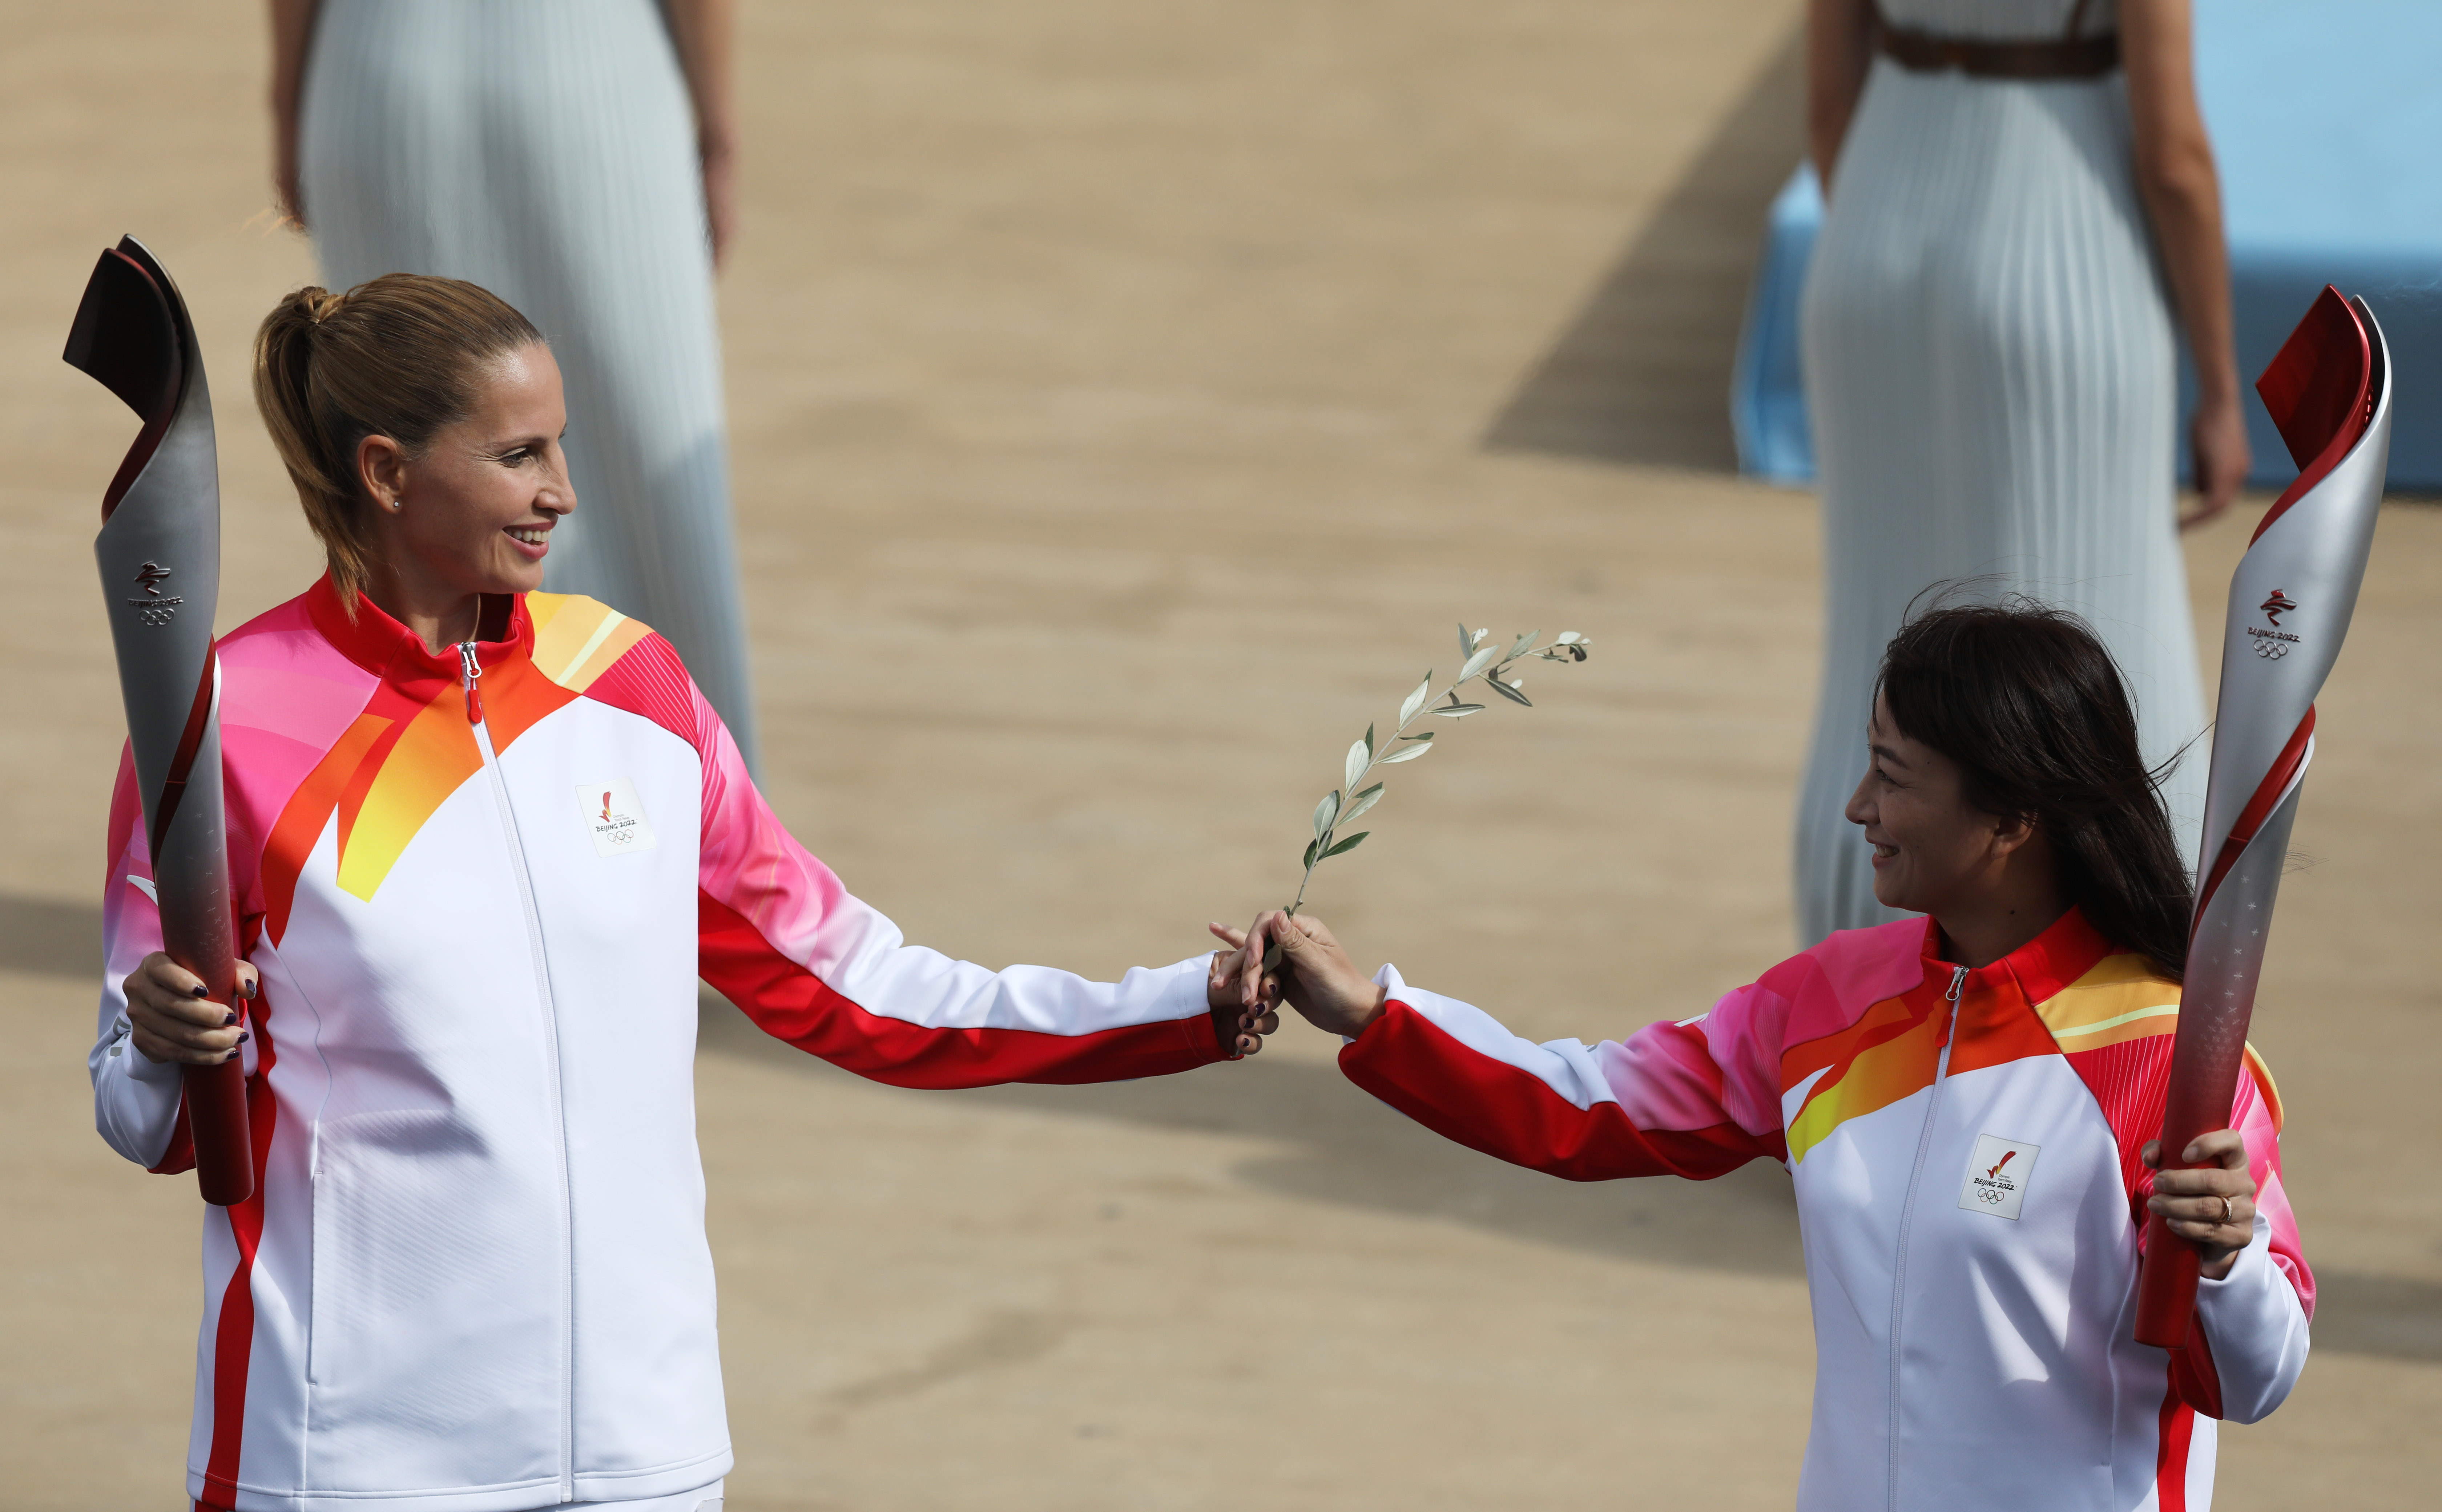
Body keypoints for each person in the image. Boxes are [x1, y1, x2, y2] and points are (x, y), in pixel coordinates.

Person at [90, 276, 1280, 1512]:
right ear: (388, 473)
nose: (561, 489)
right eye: (518, 455)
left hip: (637, 1452)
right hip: (345, 1458)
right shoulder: (230, 726)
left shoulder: (632, 688)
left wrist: (1183, 1008)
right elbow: (147, 1113)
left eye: (561, 446)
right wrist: (176, 1048)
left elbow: (861, 990)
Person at [1233, 603, 2309, 1511]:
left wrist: (2229, 1259)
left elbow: (2255, 1378)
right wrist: (1372, 1014)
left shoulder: (2162, 1053)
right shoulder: (1829, 1003)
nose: (1858, 809)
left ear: (2014, 814)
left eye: (1892, 776)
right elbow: (1589, 1105)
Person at [1794, 0, 2249, 943]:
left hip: (1873, 235)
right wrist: (2219, 383)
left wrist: (1881, 244)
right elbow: (2174, 158)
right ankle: (2127, 960)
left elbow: (1828, 105)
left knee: (1875, 630)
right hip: (2063, 241)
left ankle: (1862, 967)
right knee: (2099, 622)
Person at [269, 0, 766, 772]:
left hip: (372, 79)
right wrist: (719, 130)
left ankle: (447, 851)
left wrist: (291, 98)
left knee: (422, 516)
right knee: (659, 513)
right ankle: (701, 857)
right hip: (590, 76)